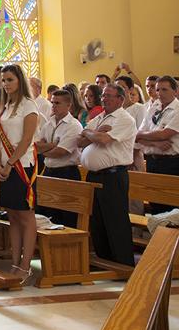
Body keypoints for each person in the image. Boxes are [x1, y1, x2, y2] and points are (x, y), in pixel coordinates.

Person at [77, 84, 136, 266]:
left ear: (120, 99)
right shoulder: (102, 117)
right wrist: (92, 132)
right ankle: (104, 260)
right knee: (98, 221)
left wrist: (92, 133)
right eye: (103, 96)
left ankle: (123, 263)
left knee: (115, 220)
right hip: (94, 176)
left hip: (113, 176)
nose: (104, 99)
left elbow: (103, 140)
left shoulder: (124, 119)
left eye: (109, 96)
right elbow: (79, 140)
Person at [0, 64, 39, 282]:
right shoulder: (5, 106)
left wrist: (10, 163)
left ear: (20, 80)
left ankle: (25, 265)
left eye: (10, 79)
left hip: (22, 166)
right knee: (12, 215)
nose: (6, 84)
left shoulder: (28, 106)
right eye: (3, 80)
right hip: (4, 166)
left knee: (25, 215)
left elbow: (26, 139)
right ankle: (14, 262)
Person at [34, 90, 82, 228]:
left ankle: (67, 248)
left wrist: (46, 149)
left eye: (57, 103)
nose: (53, 106)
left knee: (66, 216)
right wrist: (52, 145)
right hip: (49, 172)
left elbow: (61, 152)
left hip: (66, 173)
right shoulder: (49, 123)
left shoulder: (73, 125)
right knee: (46, 214)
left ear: (68, 105)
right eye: (52, 102)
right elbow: (36, 146)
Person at [136, 75, 179, 190]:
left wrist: (139, 134)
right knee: (155, 204)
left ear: (175, 91)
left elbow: (164, 134)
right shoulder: (153, 108)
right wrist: (154, 143)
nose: (160, 93)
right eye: (158, 90)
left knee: (175, 205)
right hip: (152, 162)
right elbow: (137, 137)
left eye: (164, 89)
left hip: (174, 163)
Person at [115, 75, 147, 172]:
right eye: (116, 88)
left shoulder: (139, 108)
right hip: (116, 156)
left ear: (130, 89)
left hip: (134, 155)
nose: (118, 91)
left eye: (122, 88)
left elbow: (141, 134)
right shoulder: (115, 110)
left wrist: (132, 153)